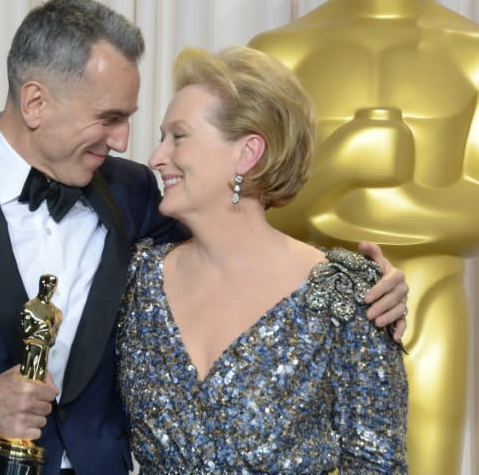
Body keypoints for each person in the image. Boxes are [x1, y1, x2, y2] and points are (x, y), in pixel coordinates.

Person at [0, 0, 408, 475]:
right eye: (109, 118)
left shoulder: (134, 194)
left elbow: (242, 236)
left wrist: (364, 286)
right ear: (35, 102)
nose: (128, 144)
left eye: (137, 122)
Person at [247, 0, 479, 472]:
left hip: (427, 309)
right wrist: (341, 163)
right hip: (303, 311)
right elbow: (253, 209)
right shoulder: (277, 54)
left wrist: (350, 207)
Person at [117, 46, 408, 473]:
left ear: (248, 152)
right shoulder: (138, 277)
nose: (156, 158)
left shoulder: (346, 291)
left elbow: (377, 463)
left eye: (178, 136)